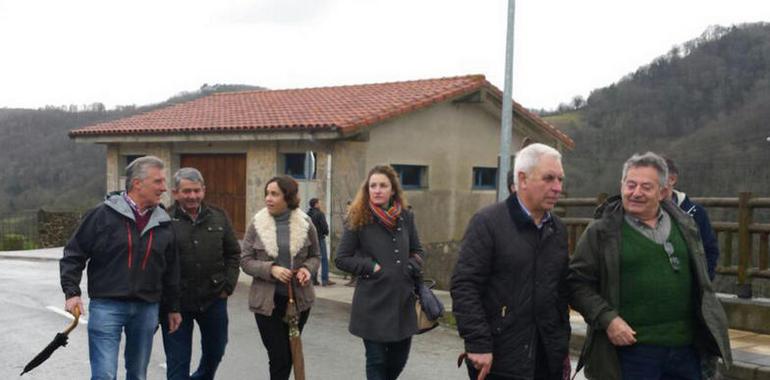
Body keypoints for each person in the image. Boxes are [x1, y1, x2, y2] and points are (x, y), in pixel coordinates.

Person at [568, 152, 732, 380]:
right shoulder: (602, 231)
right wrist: (608, 319)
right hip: (632, 353)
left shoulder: (686, 225)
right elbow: (577, 284)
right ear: (621, 185)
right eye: (631, 185)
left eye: (646, 187)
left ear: (664, 192)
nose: (636, 193)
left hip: (686, 351)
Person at [450, 143, 571, 380]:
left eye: (560, 179)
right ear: (522, 179)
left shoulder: (557, 229)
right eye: (549, 178)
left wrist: (561, 344)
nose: (557, 188)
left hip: (547, 358)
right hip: (499, 358)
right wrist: (478, 343)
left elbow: (562, 290)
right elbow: (465, 285)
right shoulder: (488, 223)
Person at [60, 155, 181, 380]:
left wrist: (173, 307)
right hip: (107, 305)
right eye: (158, 182)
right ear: (137, 183)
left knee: (138, 374)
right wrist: (72, 293)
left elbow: (171, 269)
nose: (164, 188)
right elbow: (73, 254)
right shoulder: (101, 215)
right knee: (104, 374)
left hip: (147, 308)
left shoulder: (165, 223)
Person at [335, 165, 425, 380]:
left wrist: (411, 265)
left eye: (383, 186)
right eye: (373, 186)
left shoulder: (406, 217)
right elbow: (342, 258)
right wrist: (371, 267)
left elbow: (418, 251)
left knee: (398, 361)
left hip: (402, 302)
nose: (377, 190)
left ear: (392, 190)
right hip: (371, 304)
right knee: (376, 361)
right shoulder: (357, 218)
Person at [162, 168, 241, 380]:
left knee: (216, 351)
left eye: (197, 190)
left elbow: (233, 253)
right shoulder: (164, 220)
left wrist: (227, 287)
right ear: (175, 192)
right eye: (186, 191)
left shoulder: (219, 216)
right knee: (177, 362)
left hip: (213, 299)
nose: (192, 196)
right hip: (176, 305)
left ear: (204, 190)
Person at [240, 175, 320, 380]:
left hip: (299, 301)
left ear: (288, 197)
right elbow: (246, 260)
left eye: (274, 194)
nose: (268, 198)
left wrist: (306, 270)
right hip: (267, 303)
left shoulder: (305, 222)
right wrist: (271, 269)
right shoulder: (257, 224)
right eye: (267, 193)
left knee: (291, 354)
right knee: (279, 357)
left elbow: (315, 256)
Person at [662, 156, 720, 280]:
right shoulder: (641, 212)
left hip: (689, 286)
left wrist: (703, 281)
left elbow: (710, 250)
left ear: (672, 179)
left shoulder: (696, 213)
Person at [307, 198, 335, 286]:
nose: (320, 204)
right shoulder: (320, 214)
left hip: (310, 239)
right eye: (319, 203)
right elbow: (324, 226)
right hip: (319, 238)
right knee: (324, 259)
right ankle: (325, 279)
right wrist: (326, 232)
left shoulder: (307, 214)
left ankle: (313, 279)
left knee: (313, 258)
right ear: (316, 204)